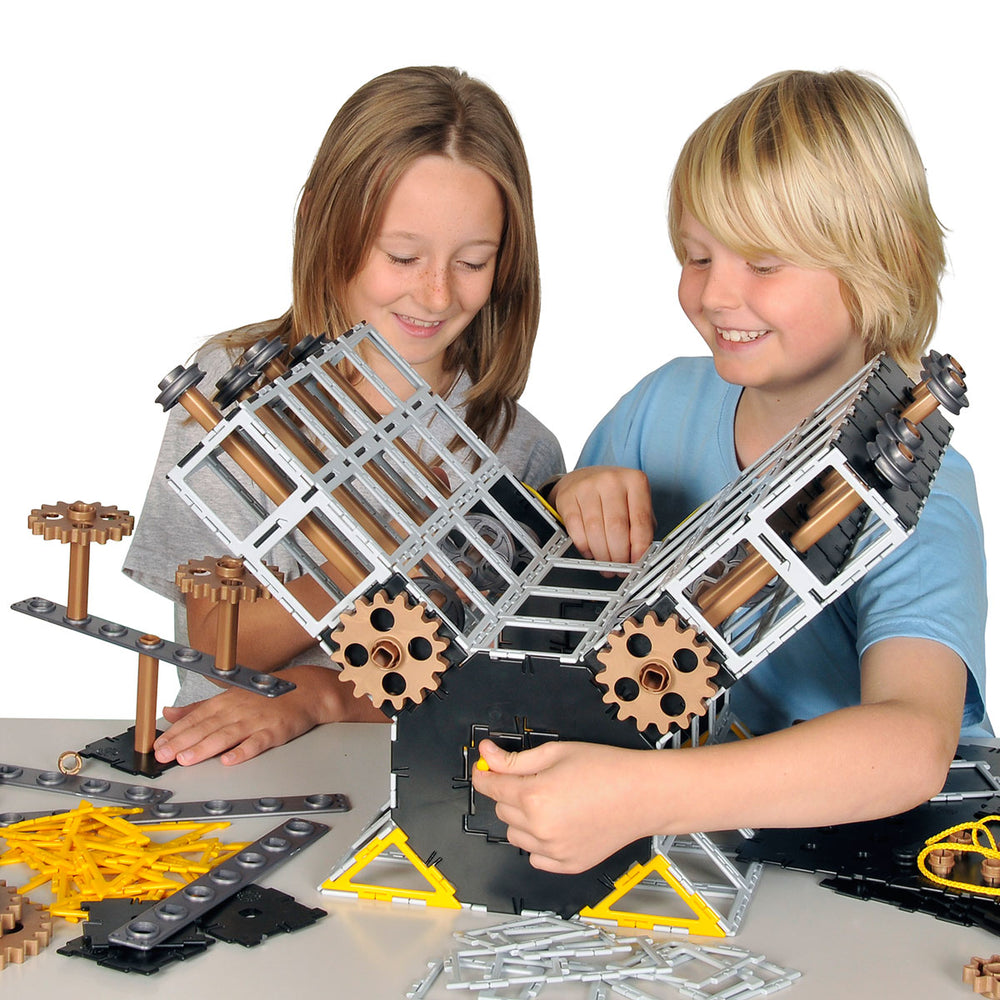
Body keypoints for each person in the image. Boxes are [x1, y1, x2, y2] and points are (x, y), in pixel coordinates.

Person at [472, 70, 989, 875]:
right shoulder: (659, 406)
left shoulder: (920, 487)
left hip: (892, 847)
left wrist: (643, 796)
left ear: (886, 260)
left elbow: (911, 745)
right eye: (696, 255)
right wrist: (571, 498)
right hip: (703, 832)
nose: (715, 293)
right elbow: (544, 600)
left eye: (765, 263)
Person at [123, 65, 564, 767]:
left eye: (473, 262)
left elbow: (493, 686)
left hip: (432, 784)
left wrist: (321, 694)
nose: (436, 294)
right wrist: (379, 553)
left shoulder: (521, 448)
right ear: (322, 224)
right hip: (233, 772)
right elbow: (217, 643)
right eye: (402, 255)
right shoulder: (225, 392)